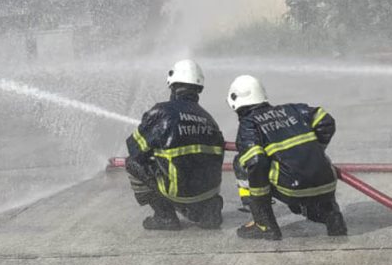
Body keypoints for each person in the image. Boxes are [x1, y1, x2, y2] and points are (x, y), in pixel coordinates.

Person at [227, 74, 347, 240]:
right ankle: (330, 214)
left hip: (293, 188)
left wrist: (259, 200)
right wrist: (315, 150)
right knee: (315, 169)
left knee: (242, 163)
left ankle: (264, 224)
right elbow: (325, 121)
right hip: (327, 183)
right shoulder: (293, 109)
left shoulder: (249, 123)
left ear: (235, 101)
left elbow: (256, 162)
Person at [125, 59, 226, 231]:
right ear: (198, 89)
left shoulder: (162, 111)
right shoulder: (209, 119)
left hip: (179, 193)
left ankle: (164, 216)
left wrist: (148, 126)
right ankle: (206, 211)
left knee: (132, 163)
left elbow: (135, 149)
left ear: (172, 85)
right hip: (208, 193)